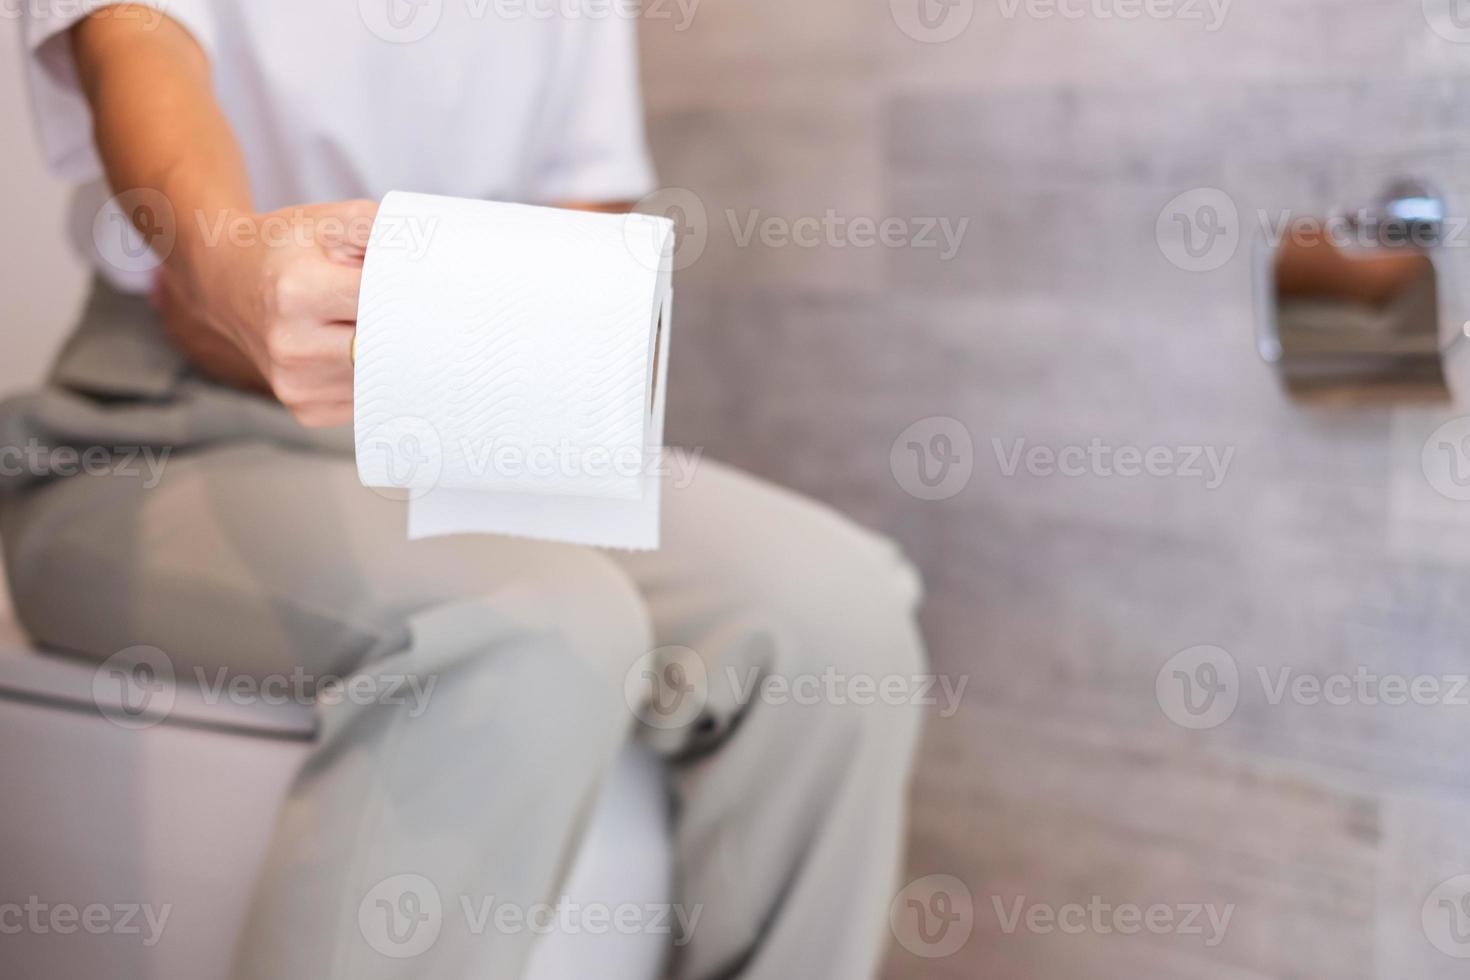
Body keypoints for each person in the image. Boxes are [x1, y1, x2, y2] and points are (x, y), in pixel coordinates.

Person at [4, 3, 927, 977]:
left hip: (460, 394)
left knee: (835, 613)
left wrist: (478, 344)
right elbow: (137, 50)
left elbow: (585, 204)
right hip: (157, 421)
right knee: (536, 624)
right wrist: (226, 263)